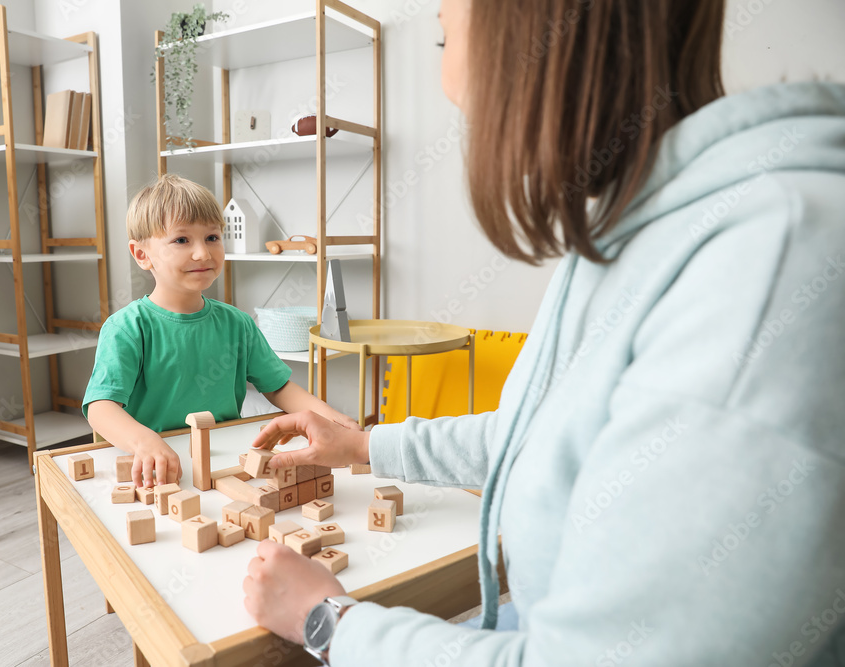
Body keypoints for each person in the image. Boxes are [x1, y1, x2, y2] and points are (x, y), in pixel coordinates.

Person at [242, 0, 845, 664]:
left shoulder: (762, 270)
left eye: (444, 39)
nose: (451, 90)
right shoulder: (631, 229)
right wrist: (363, 443)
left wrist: (331, 621)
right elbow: (539, 431)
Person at [83, 175, 358, 487]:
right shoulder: (126, 328)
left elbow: (279, 388)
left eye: (212, 237)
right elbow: (100, 408)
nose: (203, 253)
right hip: (158, 469)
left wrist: (332, 419)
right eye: (182, 240)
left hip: (226, 460)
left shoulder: (237, 323)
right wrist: (144, 442)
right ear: (142, 255)